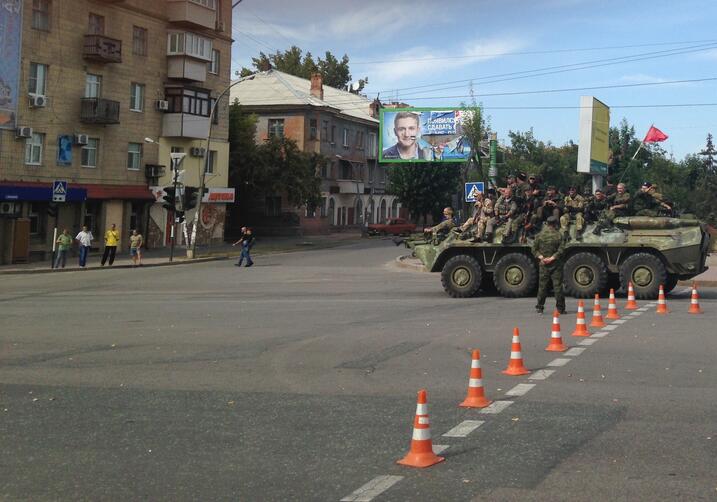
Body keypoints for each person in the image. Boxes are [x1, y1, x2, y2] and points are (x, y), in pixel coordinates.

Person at [532, 216, 566, 314]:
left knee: (542, 286)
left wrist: (542, 257)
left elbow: (534, 249)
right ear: (555, 224)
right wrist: (552, 258)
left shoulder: (539, 235)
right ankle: (560, 309)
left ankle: (540, 308)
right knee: (558, 287)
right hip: (556, 264)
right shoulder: (559, 235)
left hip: (543, 264)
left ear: (546, 223)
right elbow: (561, 250)